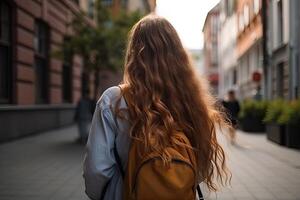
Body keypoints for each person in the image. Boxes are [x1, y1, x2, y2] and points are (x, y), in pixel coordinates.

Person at [83, 15, 231, 200]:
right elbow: (201, 169)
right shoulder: (192, 103)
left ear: (135, 54)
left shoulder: (114, 100)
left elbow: (97, 171)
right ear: (179, 56)